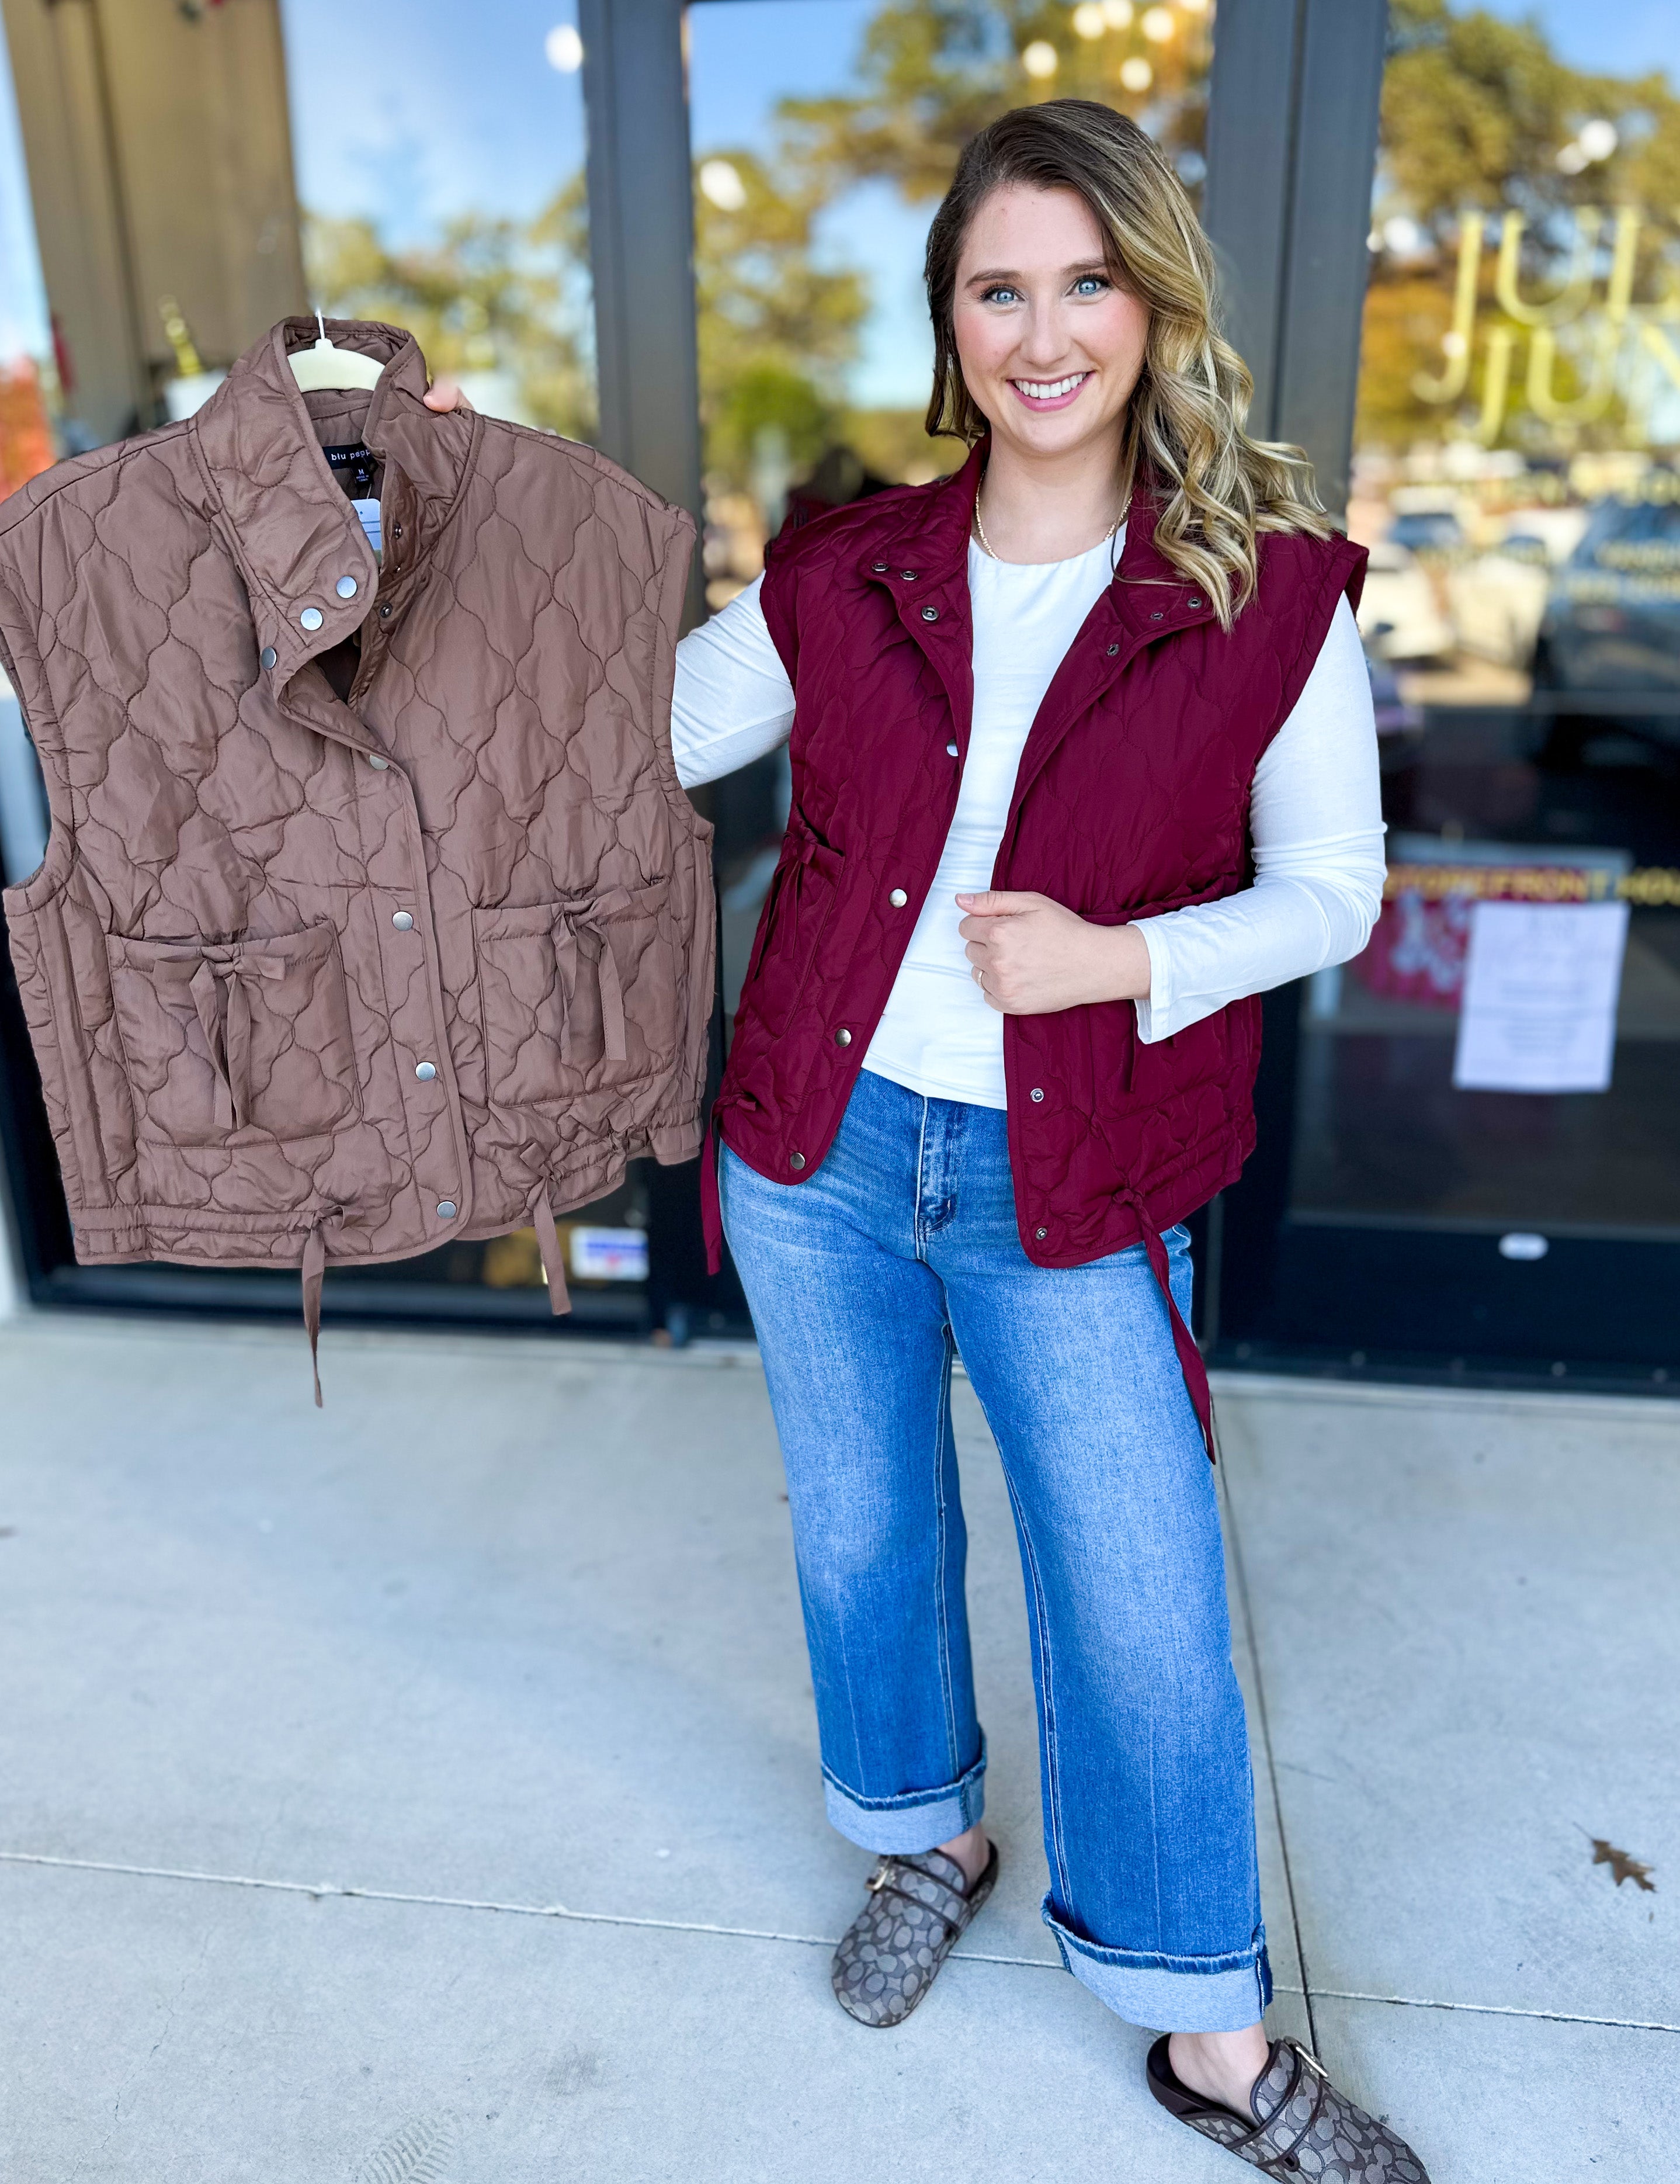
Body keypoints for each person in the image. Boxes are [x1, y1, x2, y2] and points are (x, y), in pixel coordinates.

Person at [431, 99, 1428, 2182]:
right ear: (950, 320)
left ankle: (1211, 2034)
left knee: (1141, 1595)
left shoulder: (1272, 594)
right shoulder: (849, 570)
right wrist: (449, 514)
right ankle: (923, 1837)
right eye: (999, 287)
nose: (1043, 330)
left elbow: (1335, 888)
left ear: (1152, 307)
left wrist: (1121, 957)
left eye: (1085, 281)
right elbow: (620, 734)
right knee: (865, 1534)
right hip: (817, 1142)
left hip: (1072, 1170)